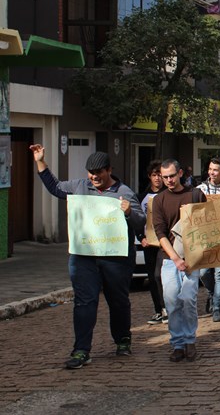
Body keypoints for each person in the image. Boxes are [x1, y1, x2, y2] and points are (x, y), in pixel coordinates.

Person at [30, 145, 145, 370]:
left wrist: (129, 212)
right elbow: (55, 188)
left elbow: (141, 224)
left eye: (99, 173)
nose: (94, 177)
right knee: (84, 301)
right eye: (91, 173)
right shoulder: (80, 187)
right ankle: (81, 350)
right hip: (84, 256)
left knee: (118, 300)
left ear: (109, 170)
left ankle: (122, 340)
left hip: (116, 258)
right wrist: (40, 161)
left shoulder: (125, 192)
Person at [151, 159, 207, 363]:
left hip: (192, 258)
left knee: (188, 299)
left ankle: (190, 340)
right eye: (164, 177)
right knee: (172, 300)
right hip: (169, 259)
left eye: (172, 176)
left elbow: (206, 226)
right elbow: (160, 232)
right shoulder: (159, 200)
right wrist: (175, 259)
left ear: (180, 173)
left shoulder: (196, 195)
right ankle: (177, 343)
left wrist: (196, 256)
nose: (168, 180)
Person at [198, 157, 220, 322]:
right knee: (203, 273)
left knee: (219, 274)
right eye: (210, 169)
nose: (212, 172)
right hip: (204, 238)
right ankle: (211, 293)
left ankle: (217, 308)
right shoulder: (200, 189)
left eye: (215, 170)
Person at [138, 160, 167, 326]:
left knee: (160, 275)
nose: (157, 179)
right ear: (150, 177)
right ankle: (158, 309)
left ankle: (167, 308)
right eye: (154, 175)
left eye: (160, 175)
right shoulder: (143, 197)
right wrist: (141, 236)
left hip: (164, 244)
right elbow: (138, 219)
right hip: (149, 244)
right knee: (152, 277)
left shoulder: (167, 195)